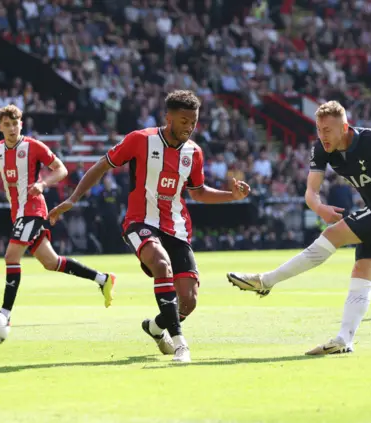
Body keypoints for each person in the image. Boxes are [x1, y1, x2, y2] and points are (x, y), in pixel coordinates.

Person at [227, 100, 371, 355]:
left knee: (332, 235)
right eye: (318, 129)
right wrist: (319, 208)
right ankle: (344, 339)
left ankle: (266, 281)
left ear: (345, 127)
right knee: (362, 271)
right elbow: (311, 191)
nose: (322, 135)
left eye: (327, 130)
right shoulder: (322, 149)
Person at [48, 90, 251, 363]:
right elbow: (102, 165)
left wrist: (232, 196)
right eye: (183, 120)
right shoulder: (140, 140)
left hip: (177, 227)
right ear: (168, 117)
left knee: (188, 301)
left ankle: (156, 328)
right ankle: (180, 344)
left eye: (193, 121)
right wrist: (73, 199)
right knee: (161, 263)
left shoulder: (194, 153)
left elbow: (198, 191)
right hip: (139, 222)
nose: (189, 127)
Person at [0, 104, 116, 323]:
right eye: (6, 125)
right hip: (17, 212)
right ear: (0, 127)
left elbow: (61, 169)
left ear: (21, 124)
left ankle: (4, 314)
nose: (11, 128)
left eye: (15, 123)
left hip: (33, 209)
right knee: (51, 262)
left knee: (11, 256)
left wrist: (43, 184)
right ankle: (103, 279)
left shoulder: (33, 146)